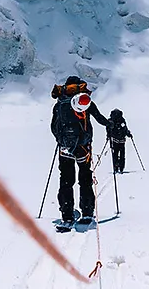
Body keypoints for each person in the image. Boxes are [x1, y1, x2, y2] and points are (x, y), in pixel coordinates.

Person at [50, 76, 109, 228]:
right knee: (85, 177)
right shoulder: (84, 101)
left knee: (66, 180)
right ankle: (87, 212)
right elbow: (99, 118)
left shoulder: (60, 103)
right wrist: (110, 124)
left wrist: (61, 141)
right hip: (83, 147)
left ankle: (67, 215)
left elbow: (53, 127)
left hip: (64, 149)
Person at [107, 109, 132, 174]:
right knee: (122, 154)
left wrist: (108, 135)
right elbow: (125, 129)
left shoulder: (110, 120)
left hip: (114, 140)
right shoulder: (122, 120)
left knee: (115, 154)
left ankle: (115, 167)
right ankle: (121, 168)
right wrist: (129, 134)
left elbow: (108, 129)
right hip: (122, 141)